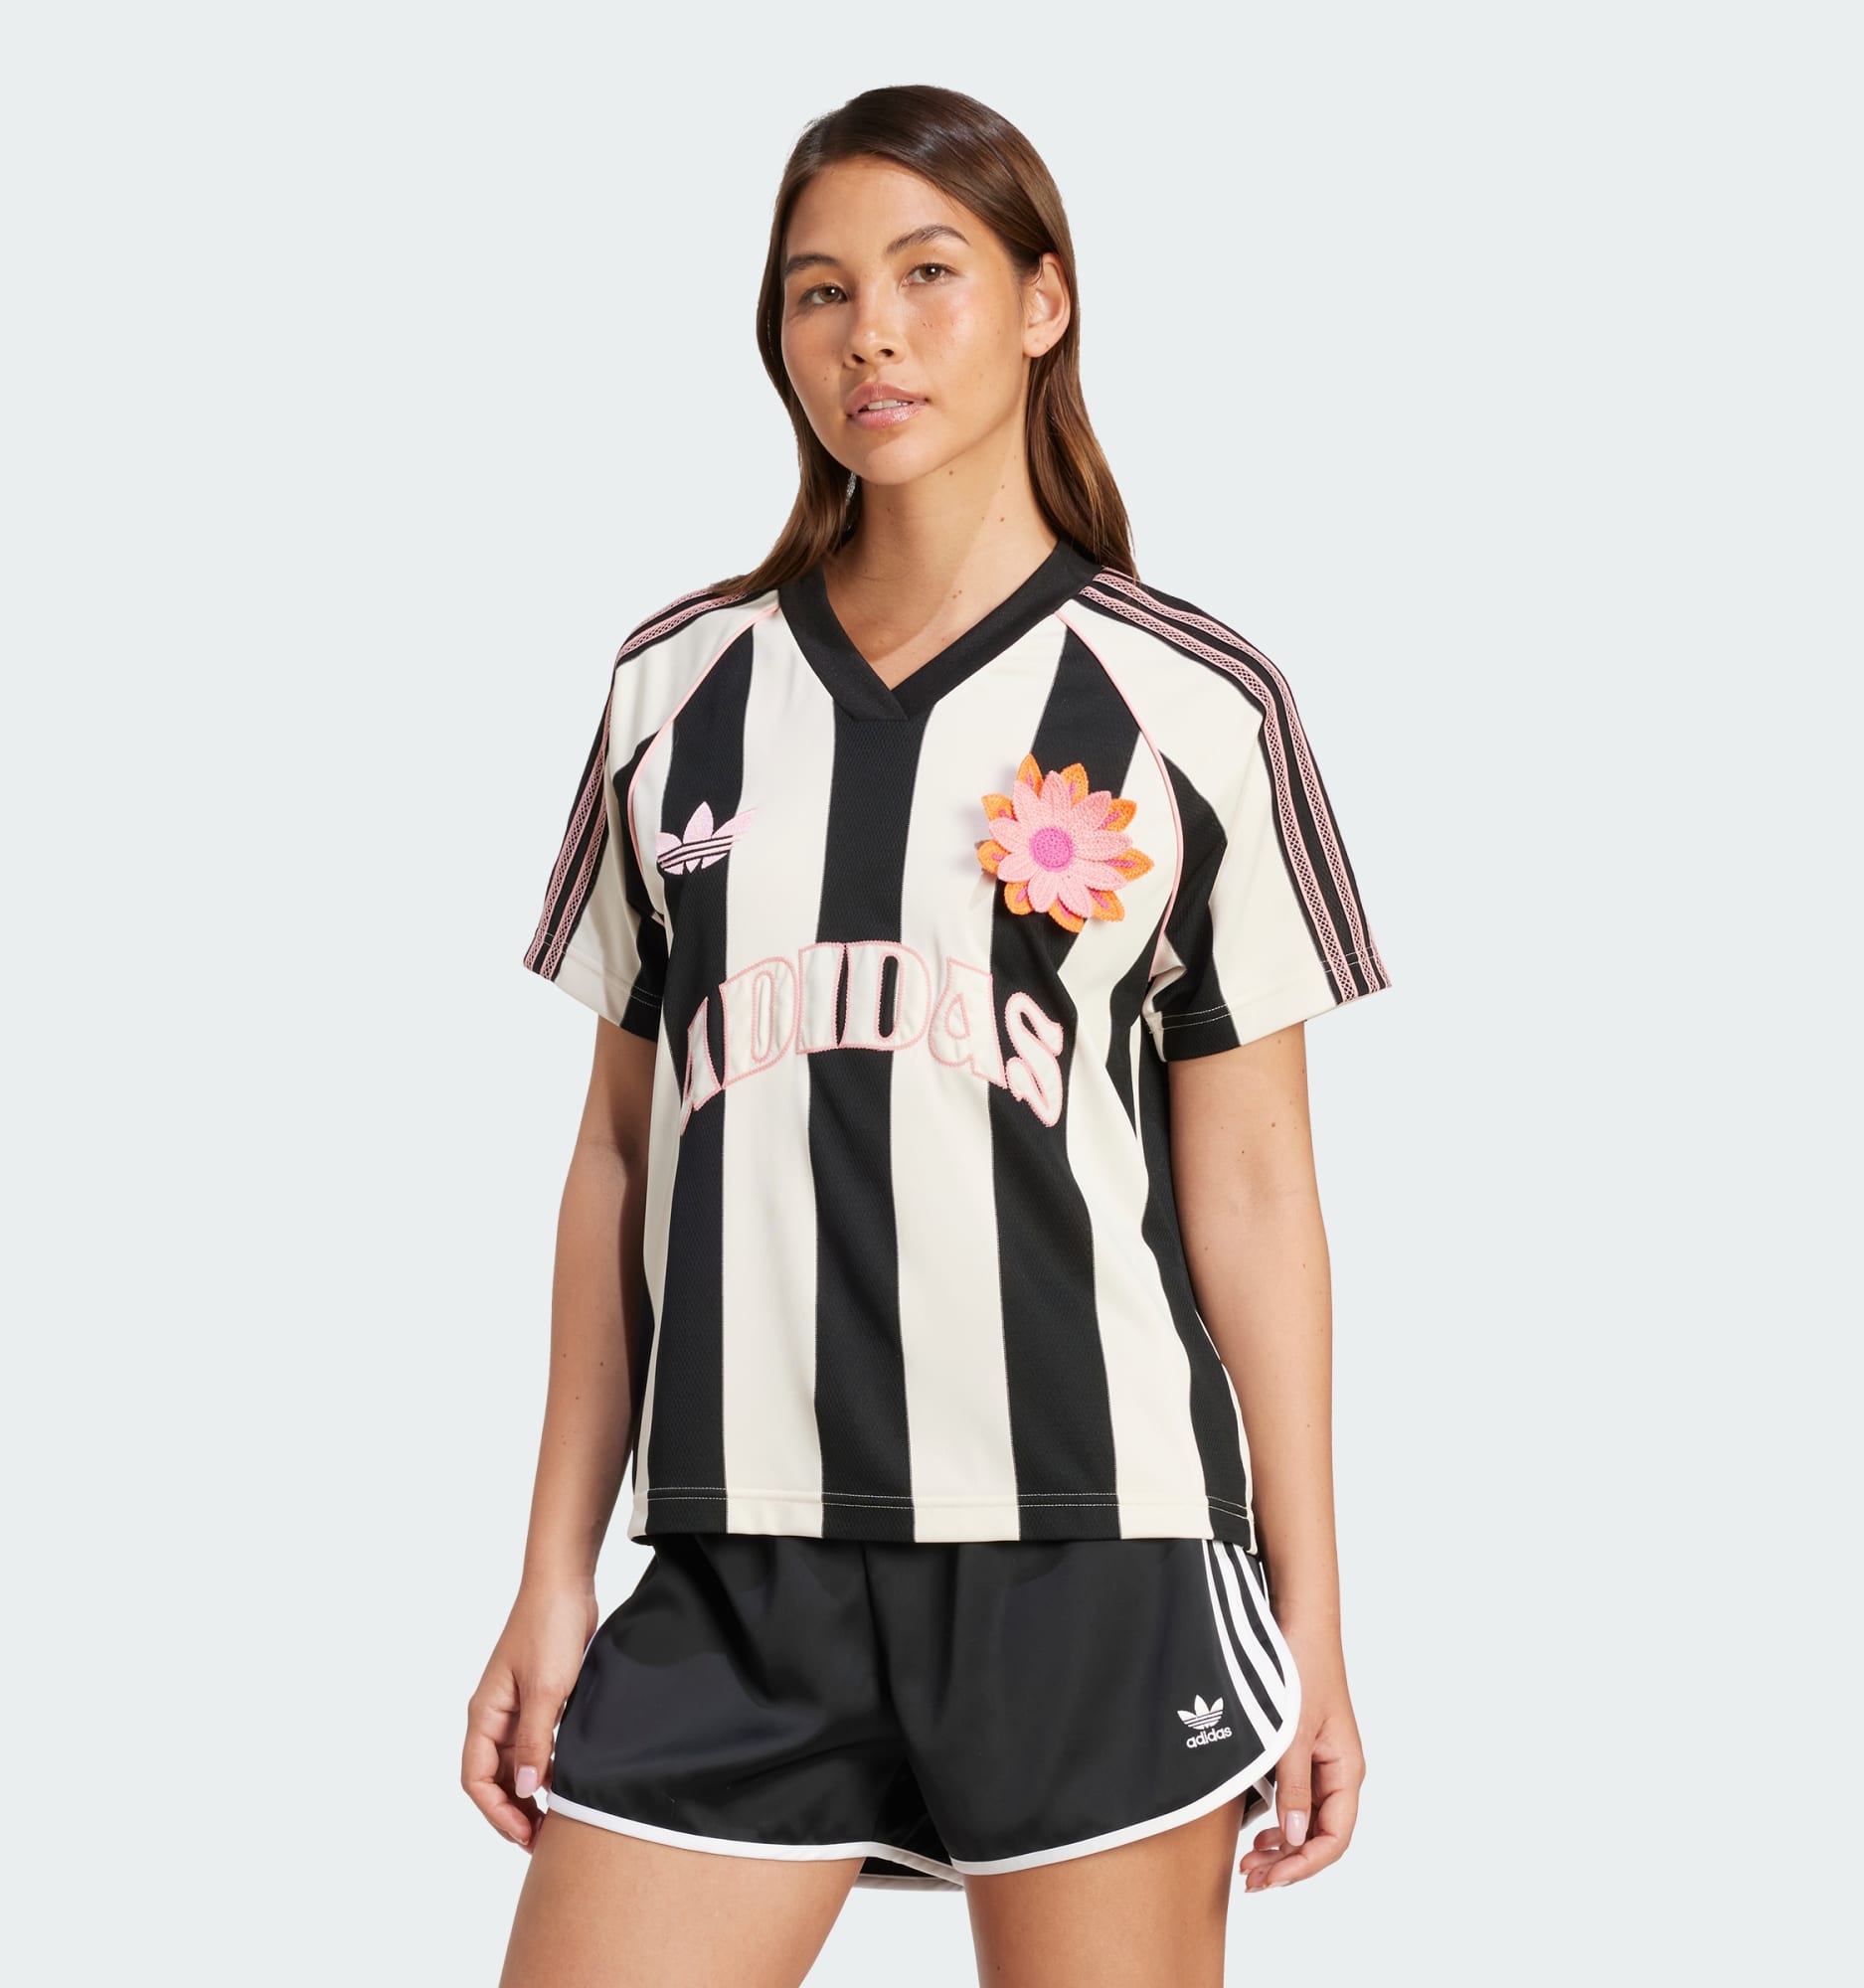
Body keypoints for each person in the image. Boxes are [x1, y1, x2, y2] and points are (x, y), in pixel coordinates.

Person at [468, 83, 1393, 1988]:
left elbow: (1254, 1196)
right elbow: (621, 1155)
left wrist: (1315, 1616)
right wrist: (552, 1573)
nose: (869, 335)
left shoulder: (1192, 704)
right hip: (735, 1567)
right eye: (820, 291)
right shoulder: (676, 691)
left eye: (927, 274)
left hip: (1098, 1559)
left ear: (1046, 302)